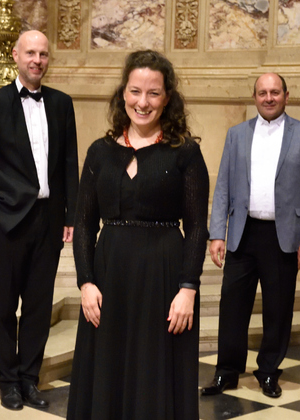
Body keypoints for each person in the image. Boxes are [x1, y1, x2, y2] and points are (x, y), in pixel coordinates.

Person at [66, 50, 209, 419]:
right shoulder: (100, 152)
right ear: (123, 94)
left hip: (163, 278)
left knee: (155, 372)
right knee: (107, 370)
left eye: (153, 93)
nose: (142, 103)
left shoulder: (185, 153)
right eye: (135, 91)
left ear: (168, 98)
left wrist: (188, 289)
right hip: (109, 278)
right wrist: (85, 282)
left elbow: (195, 227)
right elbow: (83, 222)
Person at [0, 30, 79, 411]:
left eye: (43, 54)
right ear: (15, 55)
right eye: (30, 52)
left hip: (48, 221)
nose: (37, 60)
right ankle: (8, 381)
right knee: (4, 307)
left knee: (38, 306)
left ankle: (30, 379)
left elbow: (69, 165)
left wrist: (71, 214)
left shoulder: (63, 104)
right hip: (9, 221)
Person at [202, 73, 300, 398]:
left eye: (275, 92)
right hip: (243, 233)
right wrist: (217, 233)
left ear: (287, 94)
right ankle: (227, 371)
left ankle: (269, 370)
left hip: (284, 236)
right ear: (254, 97)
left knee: (278, 308)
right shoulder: (236, 135)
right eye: (262, 93)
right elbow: (224, 187)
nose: (268, 98)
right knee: (232, 307)